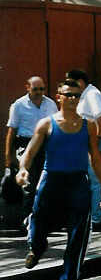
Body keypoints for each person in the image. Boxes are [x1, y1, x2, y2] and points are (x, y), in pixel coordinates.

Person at [16, 79, 101, 280]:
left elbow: (95, 158)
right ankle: (37, 248)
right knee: (38, 218)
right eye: (67, 95)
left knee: (78, 234)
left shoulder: (89, 125)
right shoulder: (46, 124)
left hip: (78, 181)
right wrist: (23, 170)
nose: (72, 99)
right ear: (58, 96)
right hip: (51, 180)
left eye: (76, 96)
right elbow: (29, 153)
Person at [4, 76, 58, 232]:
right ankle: (28, 219)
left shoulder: (50, 104)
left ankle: (45, 218)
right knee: (29, 183)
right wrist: (9, 156)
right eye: (35, 89)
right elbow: (12, 131)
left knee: (45, 182)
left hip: (46, 144)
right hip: (25, 144)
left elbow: (56, 127)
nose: (39, 92)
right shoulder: (18, 105)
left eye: (42, 89)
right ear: (27, 87)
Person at [65, 69, 101, 229]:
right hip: (79, 143)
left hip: (89, 143)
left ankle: (96, 219)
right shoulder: (83, 95)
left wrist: (96, 141)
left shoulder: (91, 94)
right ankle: (86, 218)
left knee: (94, 181)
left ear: (81, 82)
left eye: (72, 82)